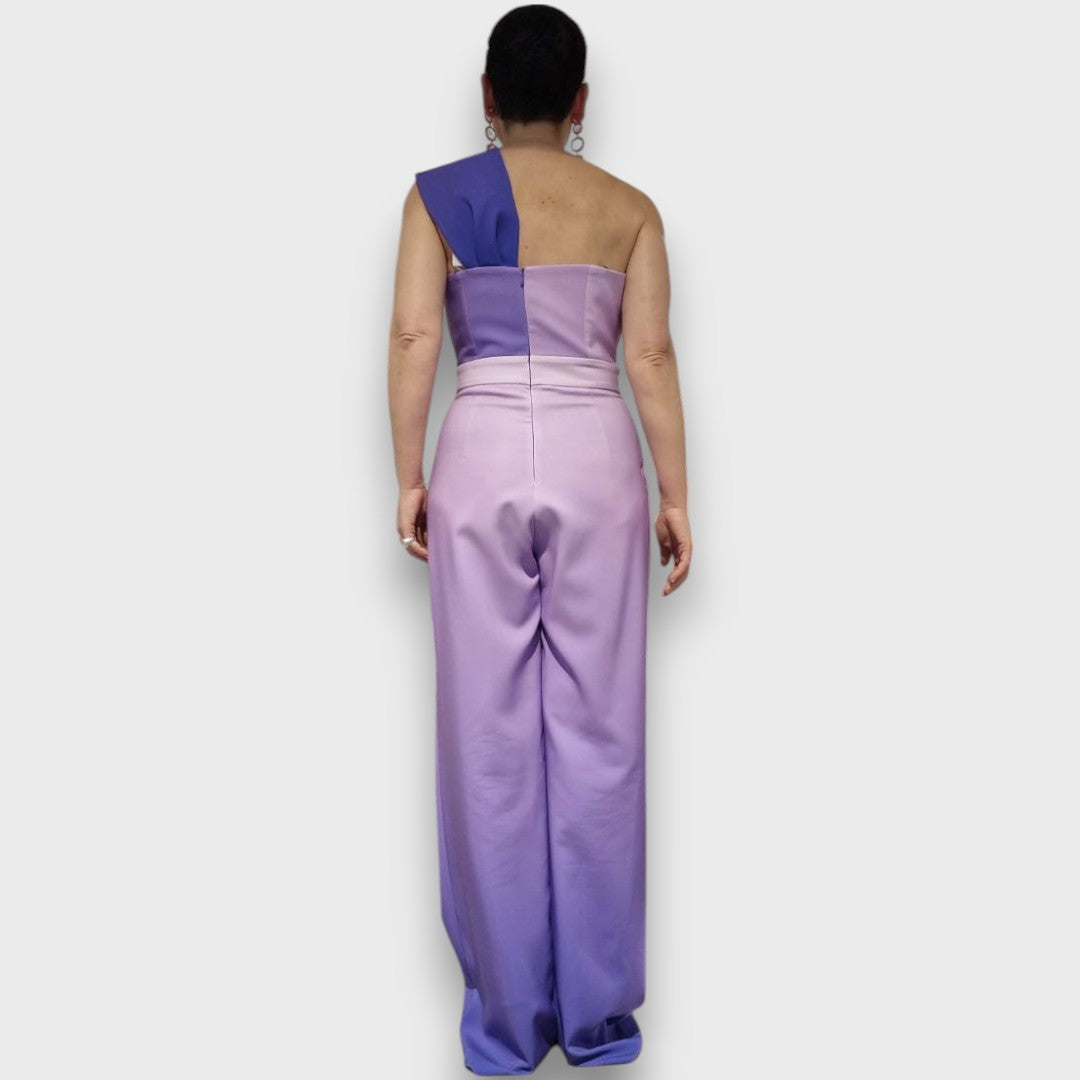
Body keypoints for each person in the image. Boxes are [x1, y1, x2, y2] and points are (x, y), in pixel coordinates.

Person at [386, 5, 691, 1073]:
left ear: (486, 95)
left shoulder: (436, 199)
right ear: (579, 102)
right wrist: (676, 494)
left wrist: (409, 475)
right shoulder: (630, 210)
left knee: (488, 734)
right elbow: (647, 357)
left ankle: (510, 1023)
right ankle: (598, 1019)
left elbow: (417, 334)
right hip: (597, 457)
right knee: (601, 731)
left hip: (478, 454)